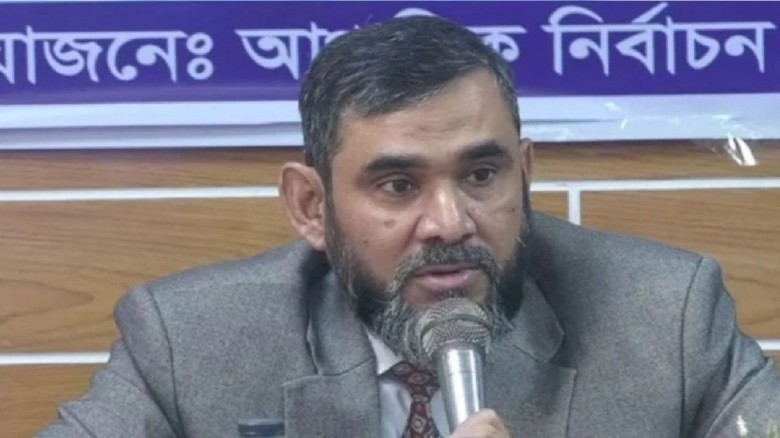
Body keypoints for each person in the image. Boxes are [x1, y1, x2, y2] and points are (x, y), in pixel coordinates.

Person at [38, 15, 779, 438]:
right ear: (312, 207)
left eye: (481, 175)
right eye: (398, 185)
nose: (449, 223)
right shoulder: (190, 341)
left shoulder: (666, 317)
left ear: (524, 174)